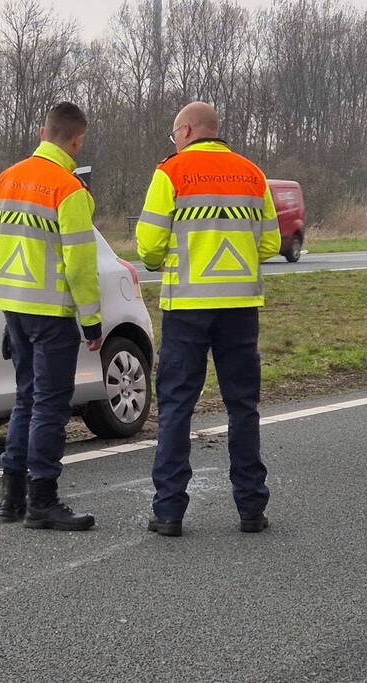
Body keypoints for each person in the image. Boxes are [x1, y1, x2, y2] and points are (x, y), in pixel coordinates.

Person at [136, 101, 281, 536]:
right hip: (239, 308)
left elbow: (148, 245)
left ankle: (168, 512)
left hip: (186, 307)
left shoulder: (172, 172)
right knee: (243, 406)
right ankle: (251, 509)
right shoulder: (253, 174)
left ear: (186, 130)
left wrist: (172, 258)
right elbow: (270, 243)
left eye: (173, 134)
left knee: (178, 406)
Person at [0, 101, 102, 531]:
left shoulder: (5, 180)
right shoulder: (69, 189)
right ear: (77, 140)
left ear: (42, 132)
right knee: (51, 407)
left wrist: (8, 305)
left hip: (14, 305)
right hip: (51, 311)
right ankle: (43, 501)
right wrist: (91, 319)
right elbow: (79, 264)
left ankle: (11, 499)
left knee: (24, 399)